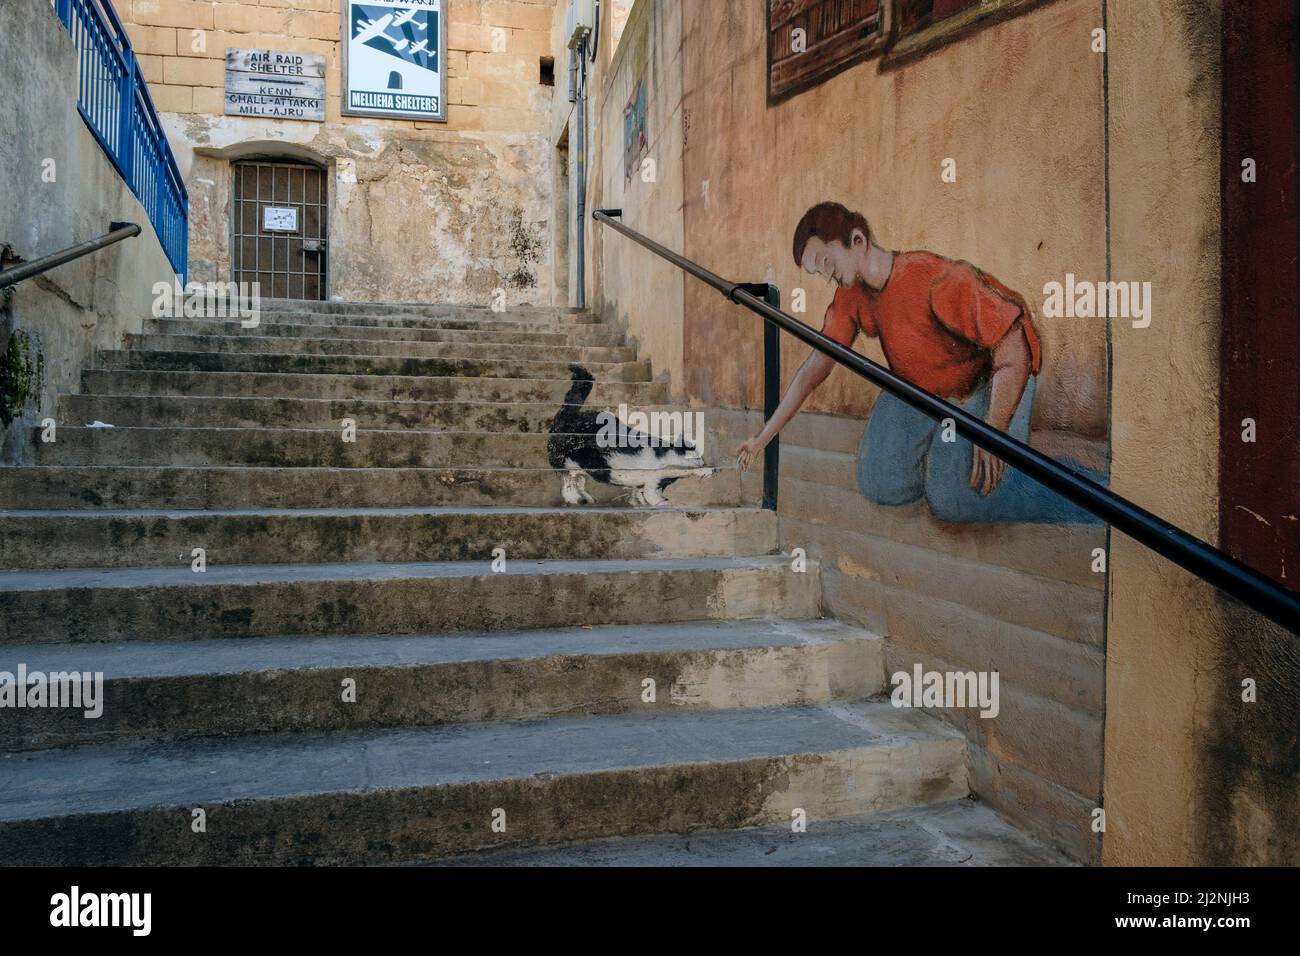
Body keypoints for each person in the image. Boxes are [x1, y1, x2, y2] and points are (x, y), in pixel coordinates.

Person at [736, 201, 1102, 524]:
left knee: (953, 497)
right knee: (878, 479)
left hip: (995, 380)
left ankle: (1088, 493)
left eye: (826, 261)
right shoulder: (851, 297)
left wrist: (994, 429)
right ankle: (949, 452)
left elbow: (1013, 348)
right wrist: (762, 437)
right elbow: (814, 369)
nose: (826, 275)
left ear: (858, 241)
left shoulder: (936, 280)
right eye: (818, 271)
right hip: (928, 391)